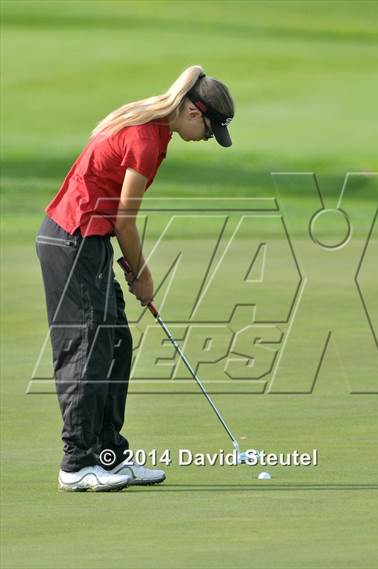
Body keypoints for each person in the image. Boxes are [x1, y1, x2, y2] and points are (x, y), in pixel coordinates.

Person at [35, 65, 235, 492]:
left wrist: (128, 265)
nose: (206, 140)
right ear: (194, 114)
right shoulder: (145, 138)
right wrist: (142, 275)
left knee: (116, 344)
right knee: (88, 349)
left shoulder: (156, 131)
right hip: (71, 240)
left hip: (88, 241)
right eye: (209, 130)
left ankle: (109, 456)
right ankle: (76, 463)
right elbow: (126, 220)